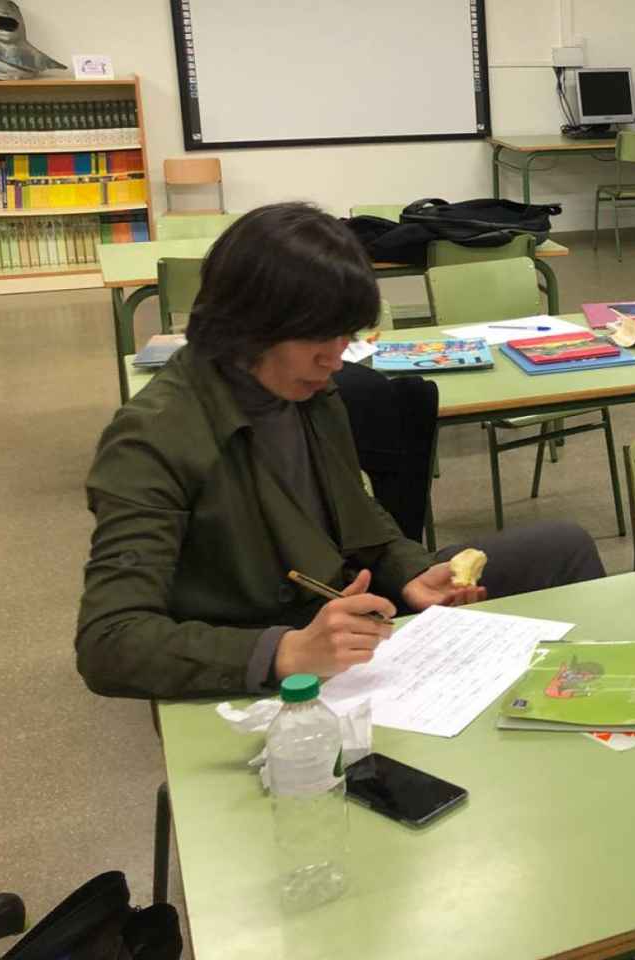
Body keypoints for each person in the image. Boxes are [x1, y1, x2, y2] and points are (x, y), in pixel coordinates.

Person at [76, 203, 605, 700]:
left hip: (344, 616)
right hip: (271, 650)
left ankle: (601, 714)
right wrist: (285, 651)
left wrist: (410, 569)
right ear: (249, 325)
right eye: (318, 338)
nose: (336, 358)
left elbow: (355, 511)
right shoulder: (152, 439)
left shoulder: (309, 390)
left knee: (564, 545)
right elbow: (110, 641)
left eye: (345, 335)